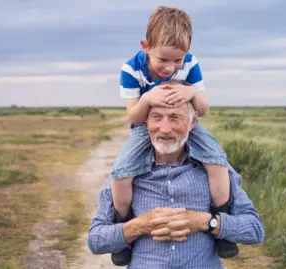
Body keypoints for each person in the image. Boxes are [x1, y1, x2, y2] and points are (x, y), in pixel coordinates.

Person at [110, 5, 236, 265]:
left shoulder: (191, 63)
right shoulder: (131, 69)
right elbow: (132, 116)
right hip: (145, 126)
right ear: (146, 46)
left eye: (177, 60)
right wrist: (148, 98)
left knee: (217, 159)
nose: (170, 67)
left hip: (188, 122)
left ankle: (222, 222)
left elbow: (203, 110)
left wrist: (191, 93)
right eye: (163, 60)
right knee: (122, 170)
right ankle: (123, 229)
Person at [88, 99, 265, 268]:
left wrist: (206, 222)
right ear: (145, 123)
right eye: (156, 117)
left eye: (175, 118)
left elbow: (255, 230)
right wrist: (139, 226)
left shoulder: (217, 169)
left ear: (192, 121)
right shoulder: (124, 173)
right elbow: (96, 240)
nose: (165, 129)